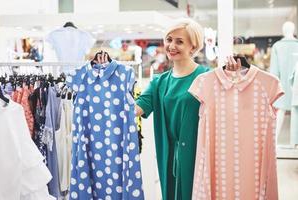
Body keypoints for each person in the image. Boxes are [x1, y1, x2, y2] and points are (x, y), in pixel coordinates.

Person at [96, 18, 240, 200]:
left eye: (179, 41)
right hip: (168, 153)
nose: (172, 45)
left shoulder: (206, 77)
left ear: (193, 47)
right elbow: (134, 110)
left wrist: (233, 78)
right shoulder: (159, 82)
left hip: (199, 153)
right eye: (169, 39)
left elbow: (228, 107)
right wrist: (108, 80)